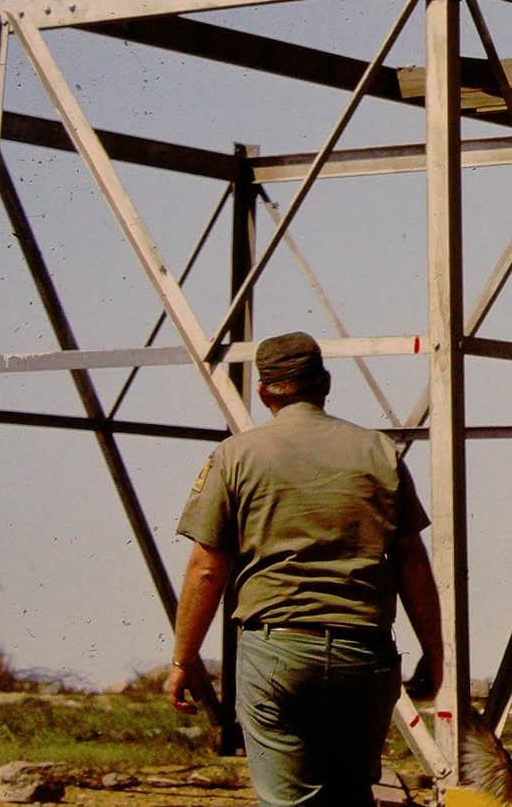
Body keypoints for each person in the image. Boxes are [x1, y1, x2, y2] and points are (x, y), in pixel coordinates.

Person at [166, 331, 443, 807]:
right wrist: (435, 652)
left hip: (278, 652)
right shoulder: (380, 452)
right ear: (325, 384)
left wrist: (184, 660)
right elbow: (412, 563)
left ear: (264, 392)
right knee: (352, 797)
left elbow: (207, 570)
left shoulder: (236, 456)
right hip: (366, 654)